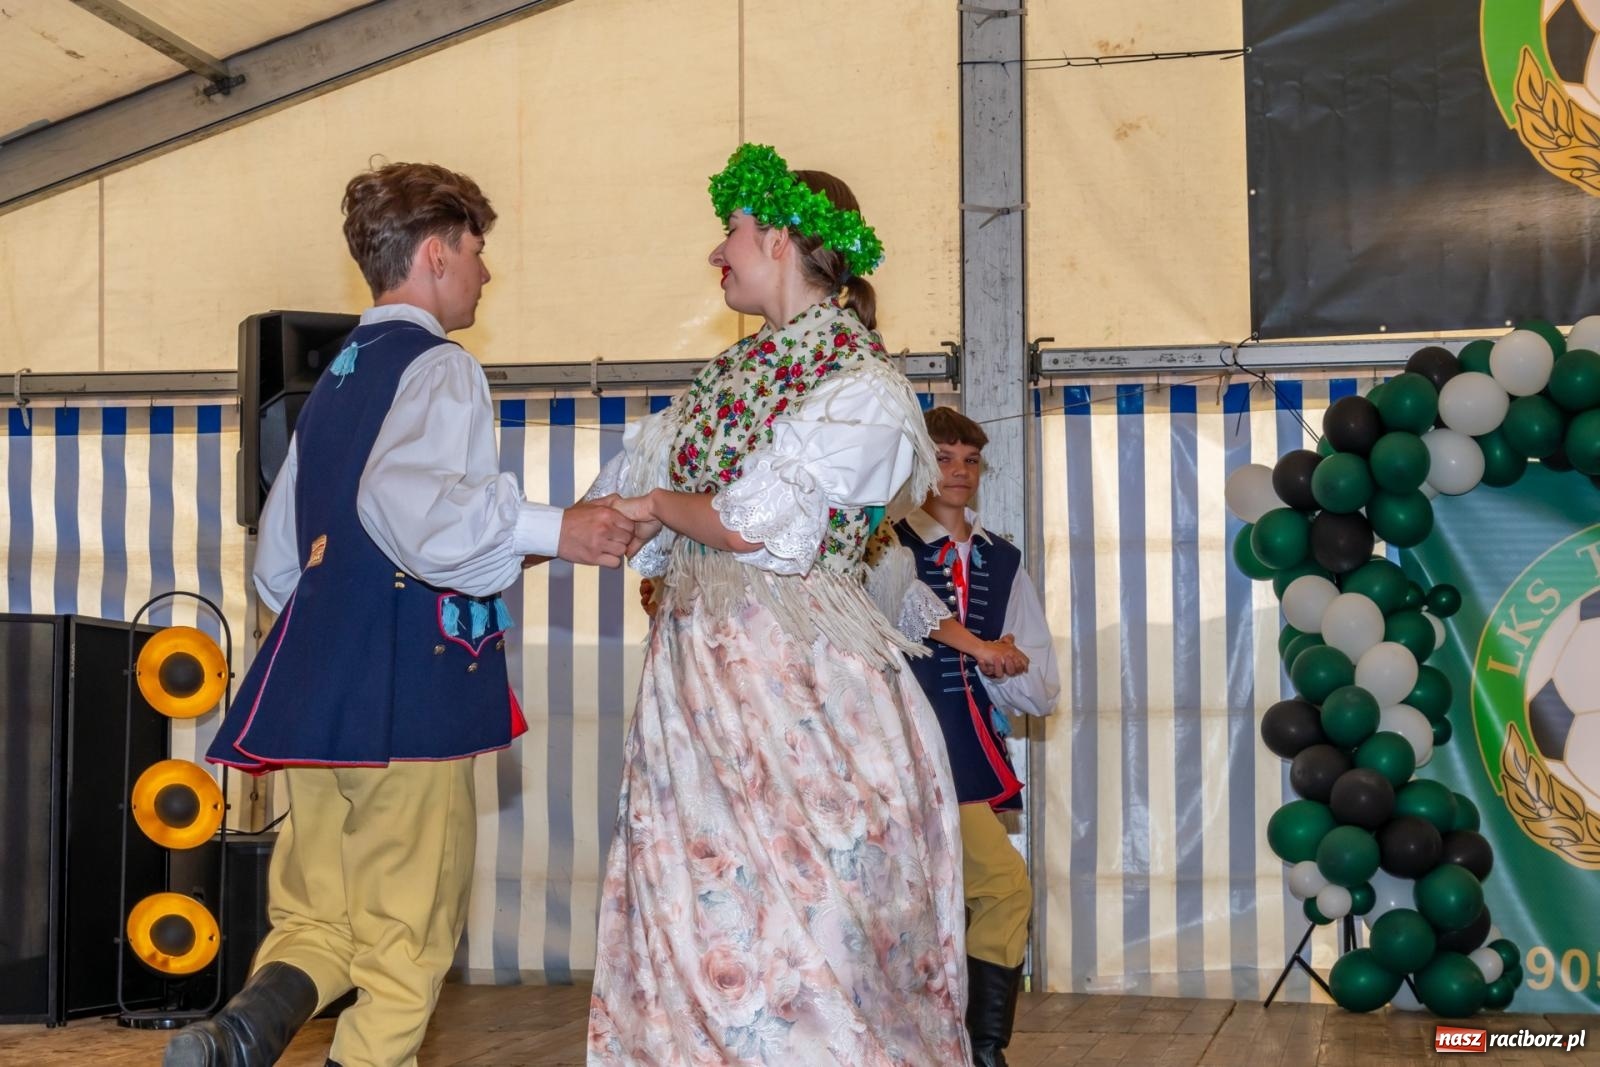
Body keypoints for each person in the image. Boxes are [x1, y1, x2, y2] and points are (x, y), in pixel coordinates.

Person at [167, 162, 639, 1067]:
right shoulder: (442, 366)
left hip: (313, 692)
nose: (486, 273)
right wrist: (559, 527)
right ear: (435, 254)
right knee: (405, 936)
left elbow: (280, 561)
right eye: (477, 250)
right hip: (404, 696)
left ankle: (242, 1031)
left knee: (317, 915)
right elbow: (408, 502)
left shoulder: (335, 381)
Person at [585, 144, 971, 1065]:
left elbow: (752, 525)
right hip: (698, 690)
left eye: (733, 231)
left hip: (798, 684)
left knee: (815, 930)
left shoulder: (863, 387)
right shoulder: (721, 386)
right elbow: (616, 502)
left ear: (783, 240)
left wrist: (656, 506)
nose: (716, 252)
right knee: (701, 918)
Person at [887, 406, 1060, 1067]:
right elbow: (905, 614)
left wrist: (1002, 666)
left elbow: (1040, 687)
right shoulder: (883, 545)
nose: (958, 472)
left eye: (970, 460)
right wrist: (984, 649)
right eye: (943, 458)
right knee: (915, 899)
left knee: (996, 888)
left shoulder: (1002, 558)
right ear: (916, 466)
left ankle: (978, 1046)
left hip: (961, 750)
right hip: (892, 747)